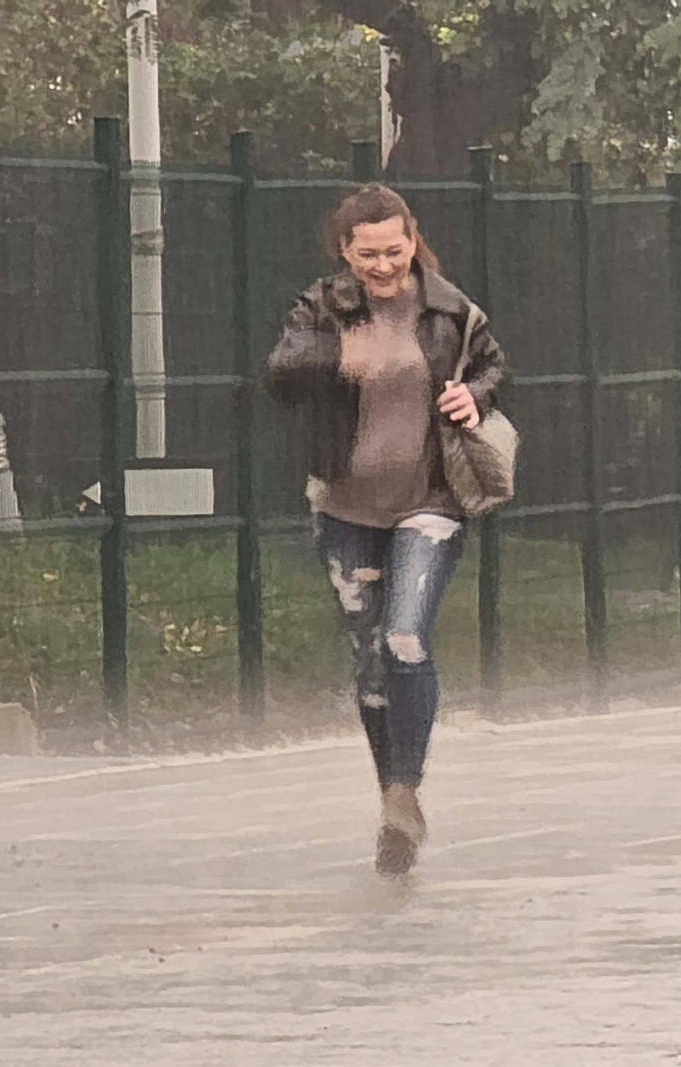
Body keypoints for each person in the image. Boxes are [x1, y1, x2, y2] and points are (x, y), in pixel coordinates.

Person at [267, 184, 506, 877]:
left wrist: (476, 393)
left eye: (394, 249)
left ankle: (406, 791)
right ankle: (391, 799)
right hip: (344, 507)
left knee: (404, 638)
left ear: (412, 239)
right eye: (367, 253)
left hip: (431, 501)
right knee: (369, 665)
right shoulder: (321, 308)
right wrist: (337, 358)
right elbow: (281, 374)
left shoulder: (450, 309)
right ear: (345, 251)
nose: (382, 264)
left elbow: (493, 364)